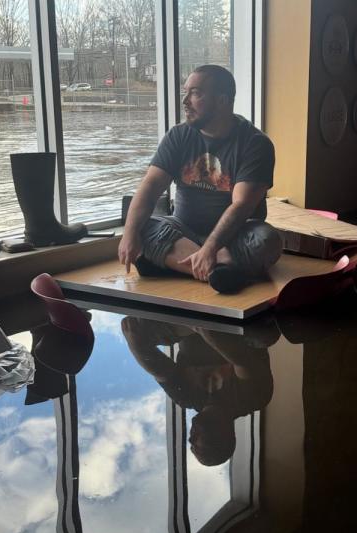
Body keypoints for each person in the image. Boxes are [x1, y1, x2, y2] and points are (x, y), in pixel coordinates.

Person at [117, 65, 283, 294]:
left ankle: (175, 264)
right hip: (183, 230)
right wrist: (129, 234)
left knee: (267, 241)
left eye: (195, 93)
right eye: (186, 92)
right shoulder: (178, 135)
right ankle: (221, 271)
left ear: (222, 100)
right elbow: (151, 185)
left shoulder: (256, 144)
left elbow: (242, 205)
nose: (185, 101)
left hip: (235, 236)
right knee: (139, 226)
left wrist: (212, 248)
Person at [120, 316, 275, 466]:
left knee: (140, 329)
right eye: (201, 445)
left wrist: (135, 344)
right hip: (238, 324)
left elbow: (157, 369)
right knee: (263, 334)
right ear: (226, 437)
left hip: (189, 321)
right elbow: (243, 361)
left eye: (191, 444)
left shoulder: (186, 397)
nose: (190, 439)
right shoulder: (253, 399)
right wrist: (207, 329)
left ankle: (195, 309)